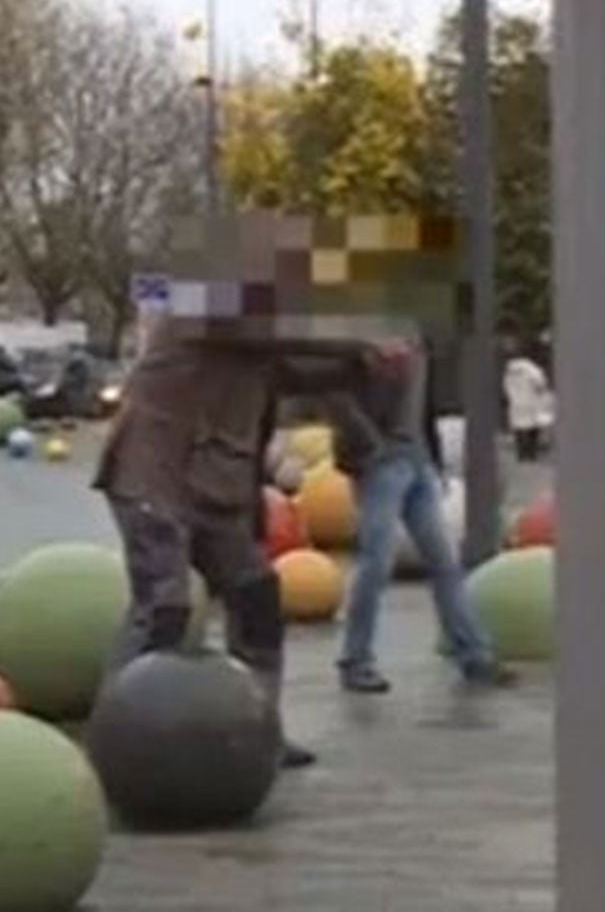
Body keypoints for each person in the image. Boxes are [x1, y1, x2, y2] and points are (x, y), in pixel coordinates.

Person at [95, 313, 368, 768]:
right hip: (152, 475)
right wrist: (365, 337)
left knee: (258, 595)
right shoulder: (207, 309)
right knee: (163, 606)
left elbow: (304, 370)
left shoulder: (261, 348)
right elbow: (273, 332)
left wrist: (375, 361)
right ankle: (114, 736)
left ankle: (259, 728)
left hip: (213, 487)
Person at [328, 331, 515, 694]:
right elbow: (336, 395)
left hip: (417, 461)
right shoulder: (361, 328)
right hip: (382, 465)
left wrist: (434, 459)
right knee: (376, 563)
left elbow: (422, 404)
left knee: (444, 562)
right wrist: (370, 448)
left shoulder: (418, 335)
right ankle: (356, 659)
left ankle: (474, 655)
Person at [504, 346, 553, 462]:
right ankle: (531, 454)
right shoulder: (532, 369)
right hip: (531, 401)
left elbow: (506, 386)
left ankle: (521, 454)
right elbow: (541, 384)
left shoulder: (509, 370)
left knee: (518, 428)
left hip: (516, 402)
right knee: (532, 428)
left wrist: (511, 396)